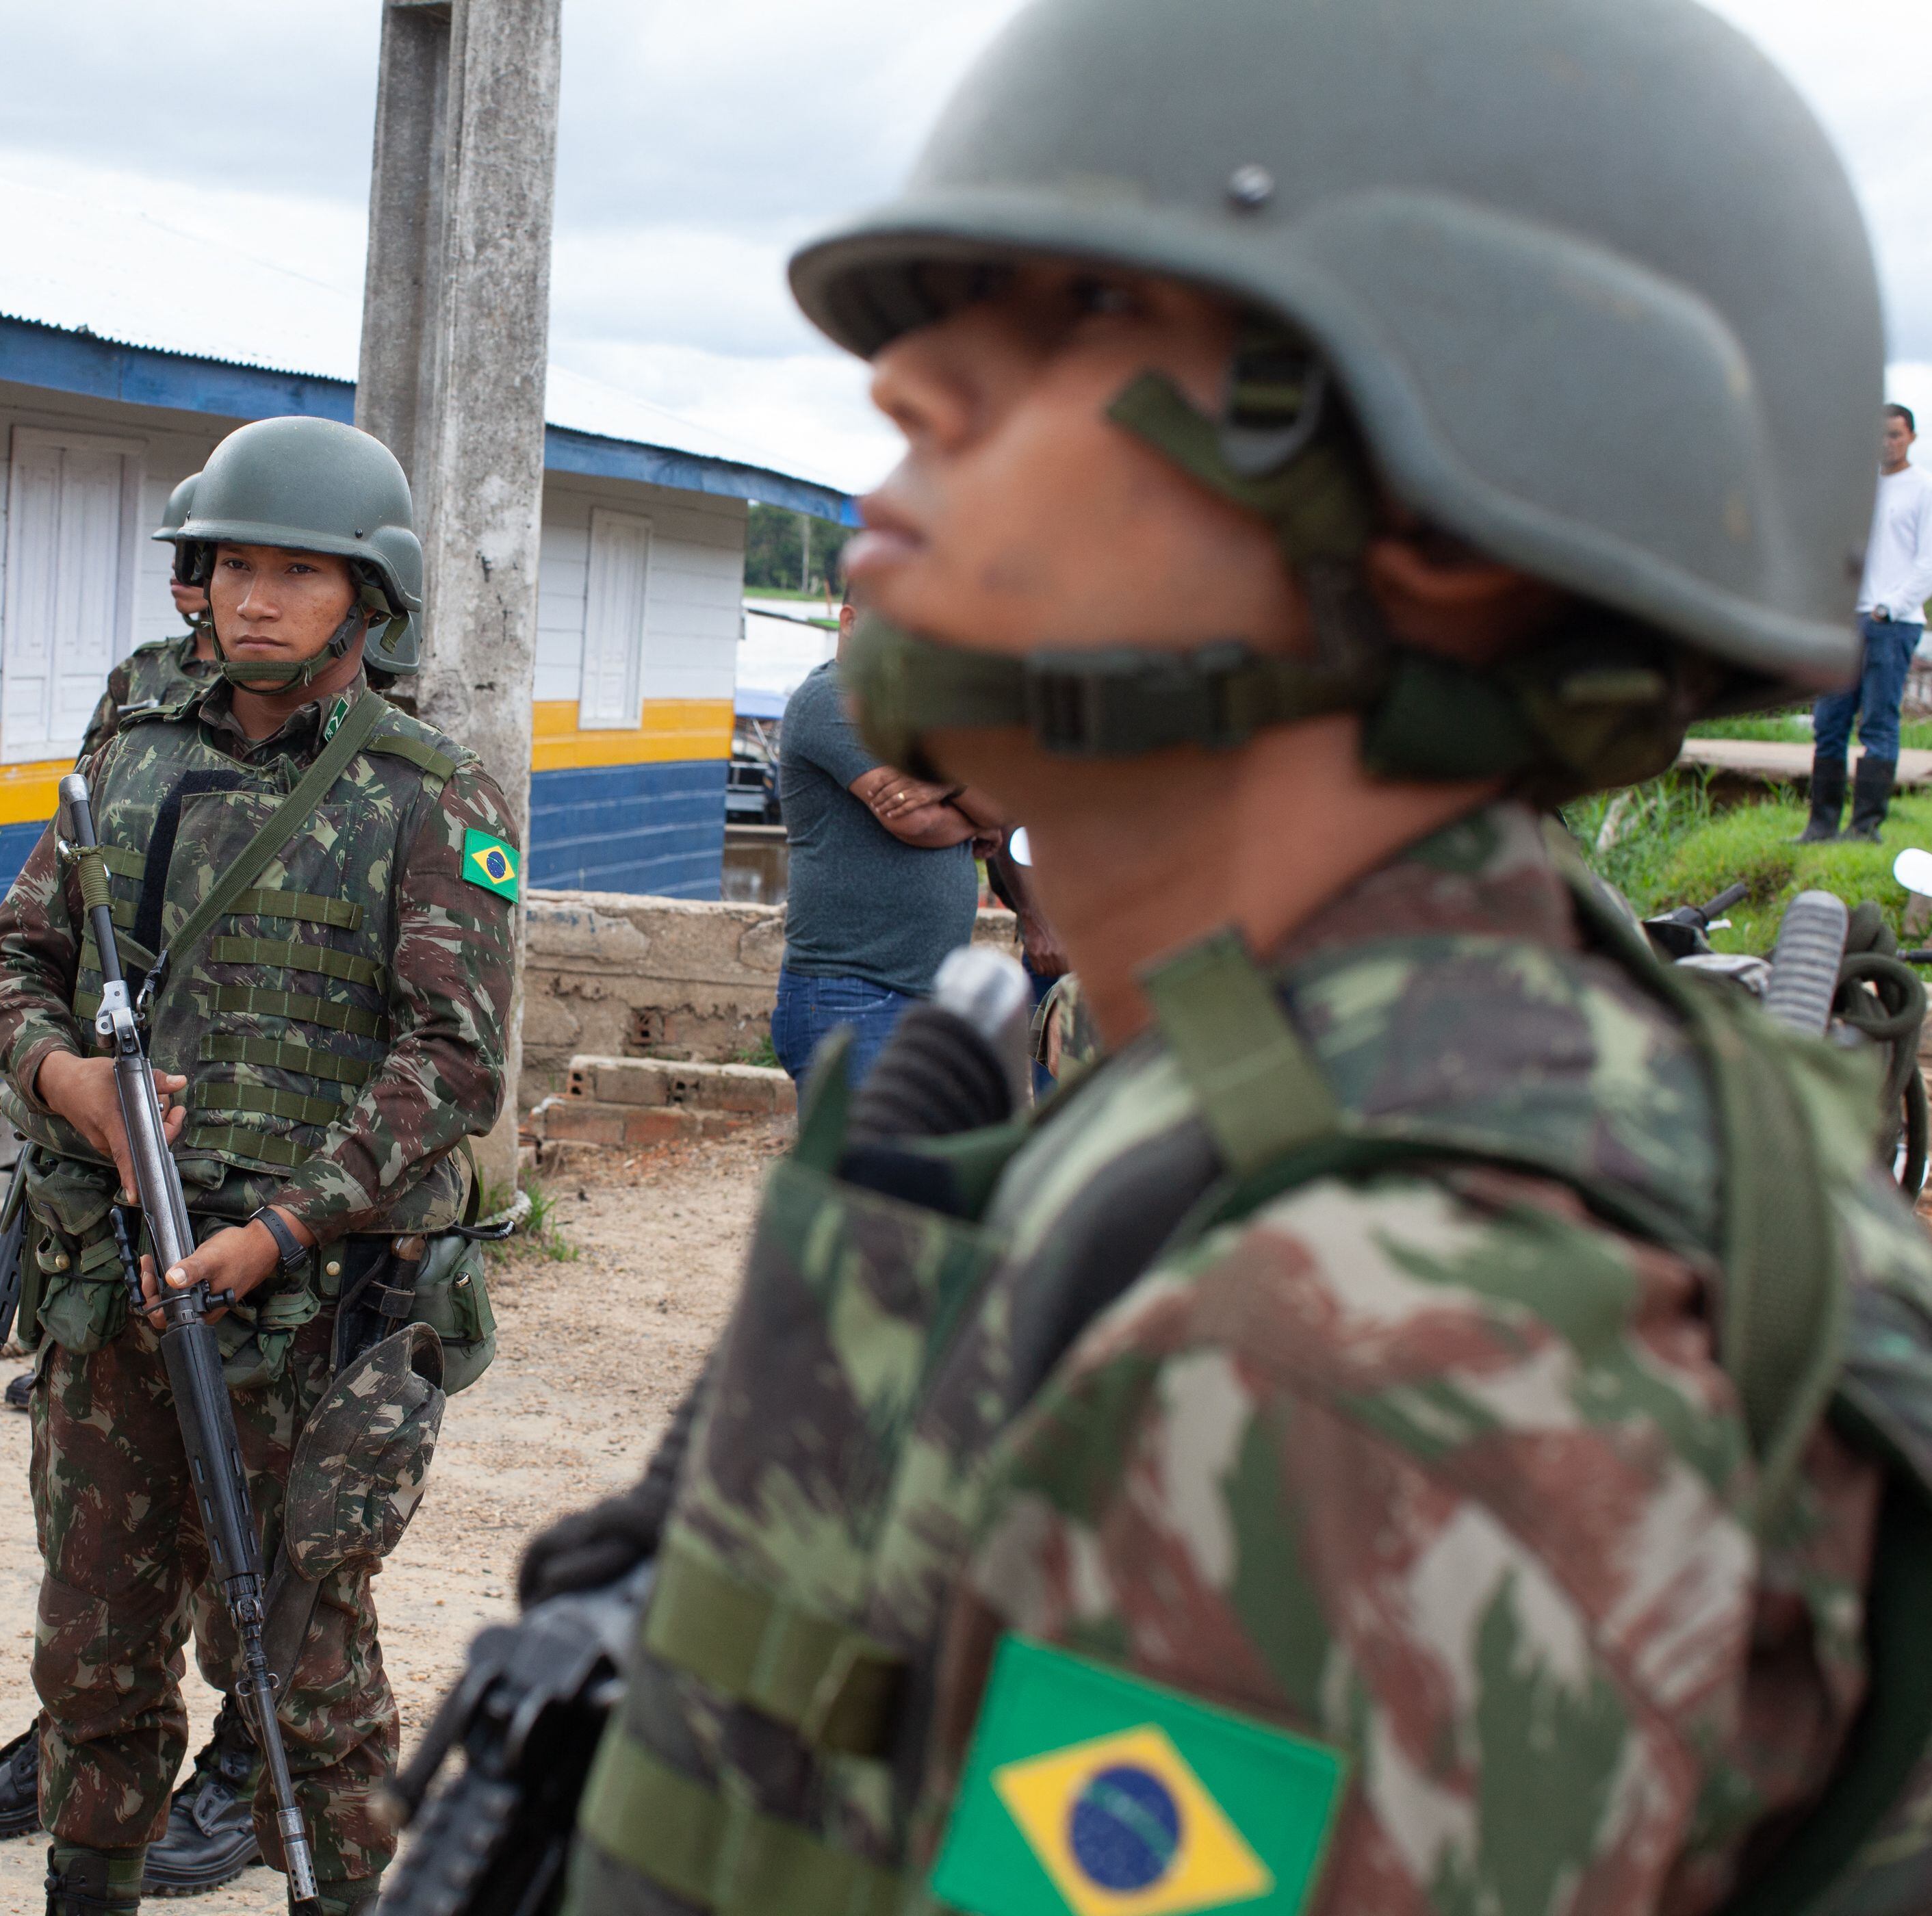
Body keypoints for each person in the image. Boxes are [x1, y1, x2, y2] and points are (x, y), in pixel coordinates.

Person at [539, 3, 1932, 1914]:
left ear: (1451, 518)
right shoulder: (1321, 1094)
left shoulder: (1379, 1344)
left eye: (1081, 313)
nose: (908, 386)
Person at [0, 414, 518, 1916]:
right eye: (233, 567)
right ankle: (94, 1880)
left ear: (368, 597)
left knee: (300, 1664)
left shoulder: (425, 791)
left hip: (307, 1305)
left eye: (297, 572)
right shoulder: (125, 756)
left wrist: (284, 1221)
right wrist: (69, 1080)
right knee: (94, 1644)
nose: (256, 599)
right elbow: (6, 966)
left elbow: (453, 1057)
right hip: (112, 1283)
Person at [0, 465, 263, 1898]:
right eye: (202, 564)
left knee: (255, 1523)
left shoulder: (384, 756)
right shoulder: (135, 708)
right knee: (101, 1519)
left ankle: (249, 1760)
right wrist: (69, 1082)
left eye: (250, 564)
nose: (216, 591)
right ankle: (83, 1736)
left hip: (264, 1207)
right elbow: (31, 944)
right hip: (99, 1188)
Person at [770, 638, 997, 1084]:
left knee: (901, 1153)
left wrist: (944, 784)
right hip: (852, 993)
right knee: (865, 1154)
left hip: (922, 996)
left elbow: (1009, 803)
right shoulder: (832, 698)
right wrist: (976, 817)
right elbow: (912, 820)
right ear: (851, 622)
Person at [1804, 403, 1932, 842]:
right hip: (1848, 621)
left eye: (1896, 434)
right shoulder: (1861, 489)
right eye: (1880, 434)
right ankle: (1821, 825)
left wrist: (1890, 607)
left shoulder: (1922, 489)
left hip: (1892, 622)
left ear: (1911, 437)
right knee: (1830, 721)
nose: (1887, 442)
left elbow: (1928, 562)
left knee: (1878, 723)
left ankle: (1865, 827)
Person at [75, 471, 218, 757]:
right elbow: (87, 778)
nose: (176, 567)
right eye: (175, 551)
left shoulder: (261, 686)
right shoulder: (140, 670)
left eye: (194, 554)